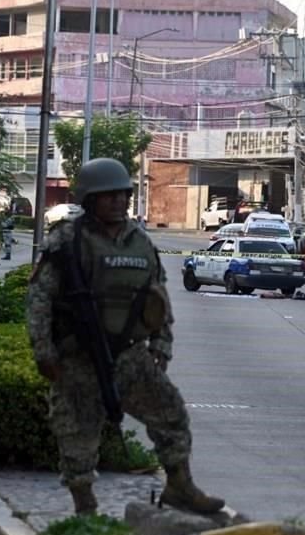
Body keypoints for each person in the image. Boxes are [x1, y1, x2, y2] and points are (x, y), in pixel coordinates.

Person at [26, 158, 224, 516]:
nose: (118, 201)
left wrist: (161, 344)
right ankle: (84, 507)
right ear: (90, 199)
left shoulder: (140, 241)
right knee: (77, 431)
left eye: (123, 194)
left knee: (171, 413)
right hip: (80, 357)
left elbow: (157, 296)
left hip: (131, 357)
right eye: (109, 195)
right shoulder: (68, 241)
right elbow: (39, 299)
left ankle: (179, 485)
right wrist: (44, 351)